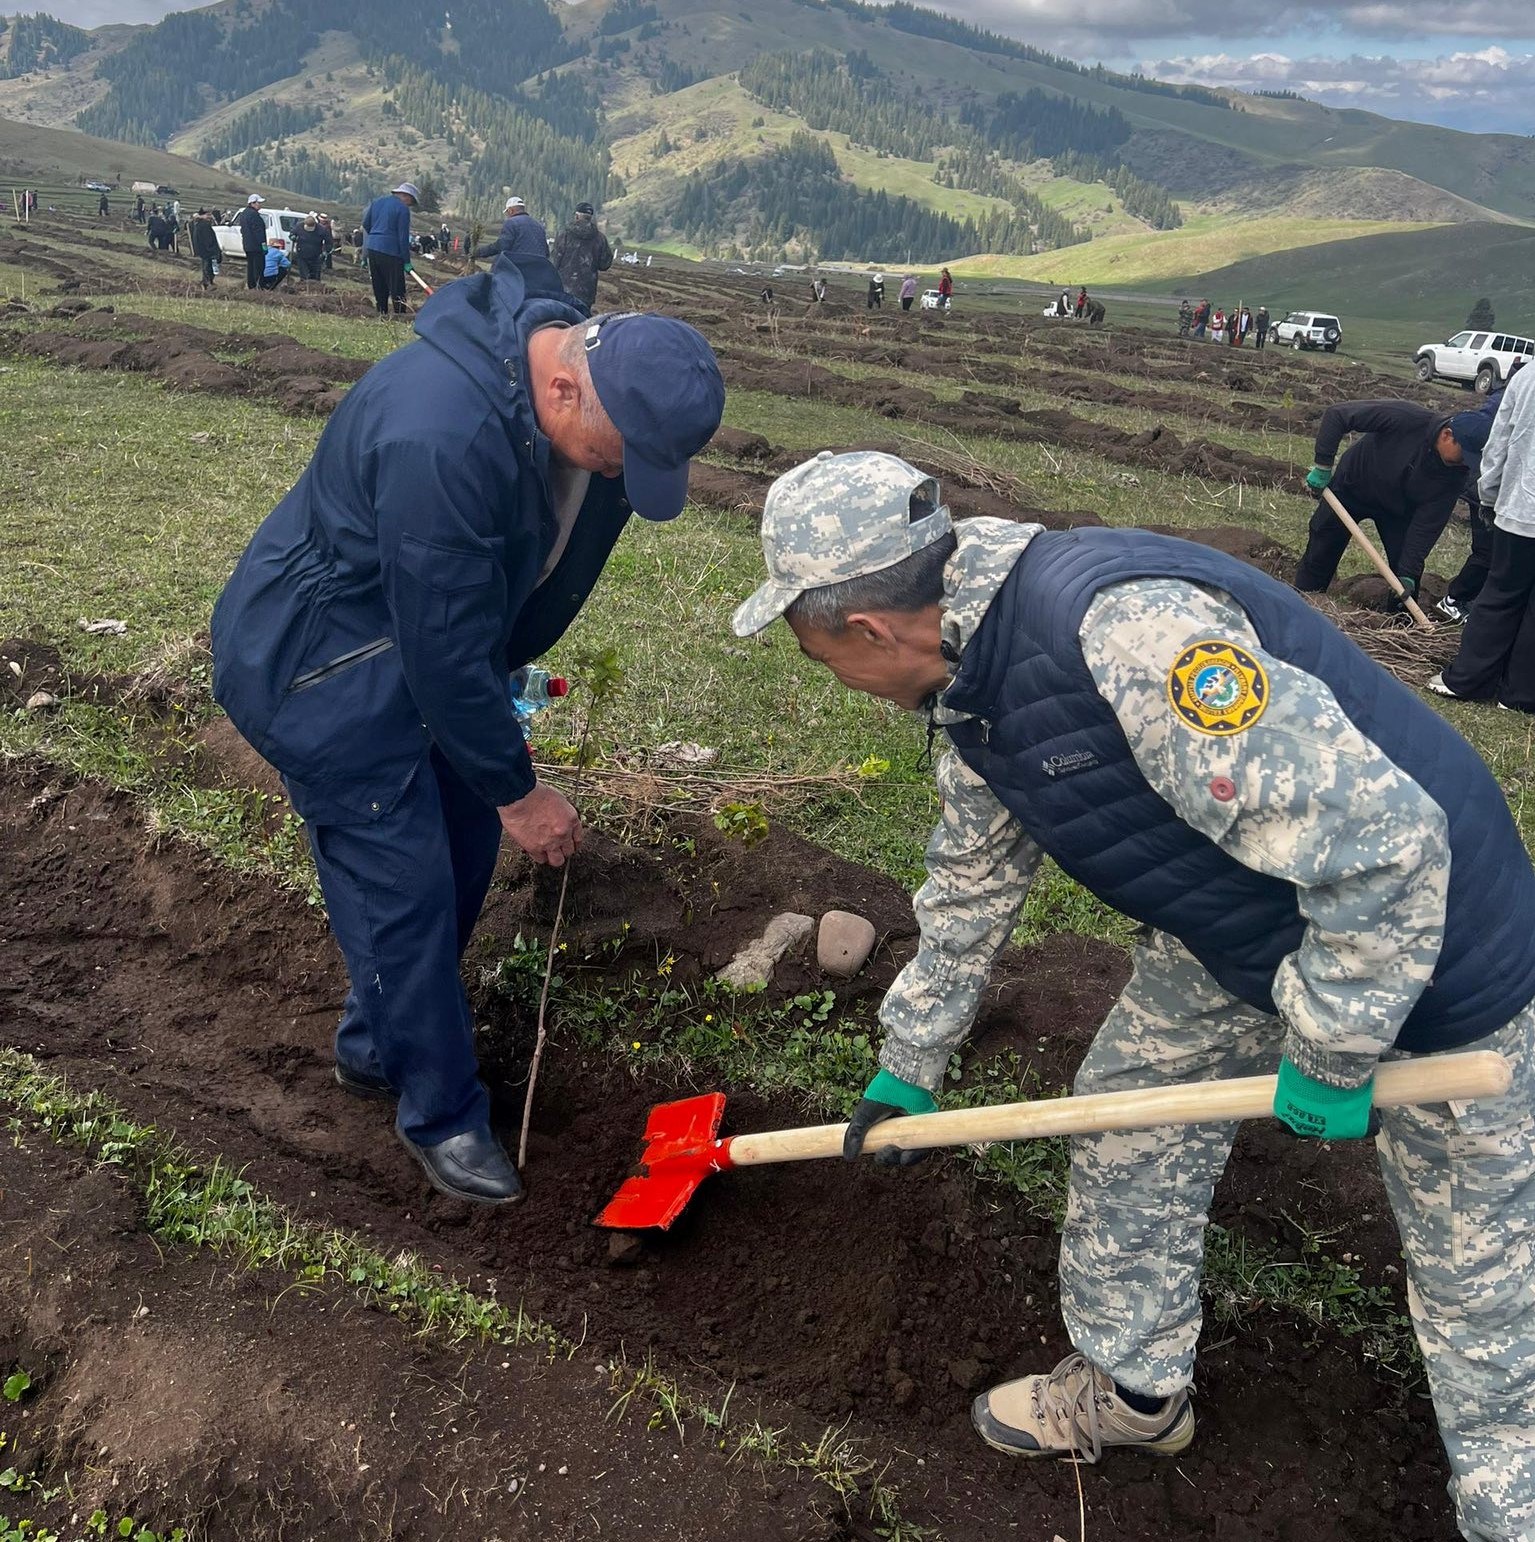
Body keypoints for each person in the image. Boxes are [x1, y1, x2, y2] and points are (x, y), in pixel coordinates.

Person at [731, 447, 1535, 1541]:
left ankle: (1508, 1510)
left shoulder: (1130, 641)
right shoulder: (965, 671)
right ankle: (1135, 1392)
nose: (834, 678)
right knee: (1127, 1128)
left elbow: (1389, 851)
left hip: (1436, 954)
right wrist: (909, 1058)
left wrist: (1335, 1049)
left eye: (822, 656)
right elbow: (970, 874)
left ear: (870, 629)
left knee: (1479, 1290)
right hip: (1240, 930)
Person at [209, 258, 725, 1207]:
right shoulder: (438, 434)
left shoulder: (573, 398)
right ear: (564, 384)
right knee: (402, 888)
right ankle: (440, 1111)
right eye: (619, 453)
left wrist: (497, 780)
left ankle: (375, 1046)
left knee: (463, 847)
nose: (620, 475)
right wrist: (522, 790)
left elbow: (461, 629)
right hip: (324, 673)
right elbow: (438, 644)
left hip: (426, 654)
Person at [1293, 401, 1492, 603]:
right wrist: (1323, 465)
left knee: (1406, 581)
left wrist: (1407, 573)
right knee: (1321, 551)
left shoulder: (1457, 474)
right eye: (1464, 455)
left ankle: (1397, 624)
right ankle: (1302, 601)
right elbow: (1338, 415)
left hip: (1398, 511)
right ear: (1447, 435)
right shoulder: (1406, 418)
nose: (1465, 463)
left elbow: (1427, 525)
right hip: (1351, 489)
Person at [1430, 367, 1535, 711]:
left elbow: (1500, 440)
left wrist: (1488, 495)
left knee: (1502, 593)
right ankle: (1520, 695)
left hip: (1522, 510)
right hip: (1522, 509)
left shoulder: (1528, 376)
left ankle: (1467, 680)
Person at [1439, 368, 1526, 622]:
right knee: (1488, 552)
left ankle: (1473, 600)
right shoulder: (1505, 405)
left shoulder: (1506, 398)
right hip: (1489, 483)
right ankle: (1453, 600)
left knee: (1497, 553)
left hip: (1500, 482)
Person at [362, 181, 418, 317]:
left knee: (379, 282)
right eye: (410, 202)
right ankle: (400, 315)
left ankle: (382, 312)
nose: (409, 205)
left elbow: (366, 224)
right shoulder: (402, 209)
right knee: (396, 285)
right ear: (406, 196)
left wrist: (376, 237)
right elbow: (402, 237)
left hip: (373, 248)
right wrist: (406, 261)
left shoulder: (377, 202)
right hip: (391, 251)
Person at [549, 201, 613, 313]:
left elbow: (554, 261)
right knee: (582, 322)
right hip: (587, 291)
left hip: (564, 289)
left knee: (562, 320)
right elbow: (605, 264)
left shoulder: (564, 233)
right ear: (590, 217)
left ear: (577, 216)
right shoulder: (600, 238)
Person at [474, 196, 550, 263]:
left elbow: (502, 246)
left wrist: (479, 252)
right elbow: (546, 252)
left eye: (507, 212)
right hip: (539, 269)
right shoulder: (539, 226)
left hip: (519, 268)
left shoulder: (511, 223)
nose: (507, 215)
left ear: (511, 210)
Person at [237, 193, 267, 291]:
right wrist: (263, 245)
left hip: (247, 244)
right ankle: (258, 286)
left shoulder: (244, 214)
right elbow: (258, 232)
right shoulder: (254, 215)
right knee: (259, 266)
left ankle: (251, 285)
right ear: (252, 203)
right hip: (256, 246)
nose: (260, 205)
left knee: (250, 265)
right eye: (259, 203)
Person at [190, 208, 220, 288]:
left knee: (206, 265)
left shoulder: (198, 224)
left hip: (202, 249)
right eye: (208, 215)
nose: (209, 217)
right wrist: (212, 249)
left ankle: (207, 281)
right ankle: (207, 282)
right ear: (202, 215)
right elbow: (208, 239)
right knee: (208, 266)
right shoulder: (204, 225)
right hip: (207, 249)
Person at [293, 215, 326, 282]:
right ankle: (303, 287)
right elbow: (292, 233)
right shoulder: (299, 226)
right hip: (302, 254)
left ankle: (315, 289)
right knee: (304, 275)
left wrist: (325, 251)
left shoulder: (321, 230)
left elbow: (329, 242)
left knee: (315, 276)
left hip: (316, 256)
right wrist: (292, 237)